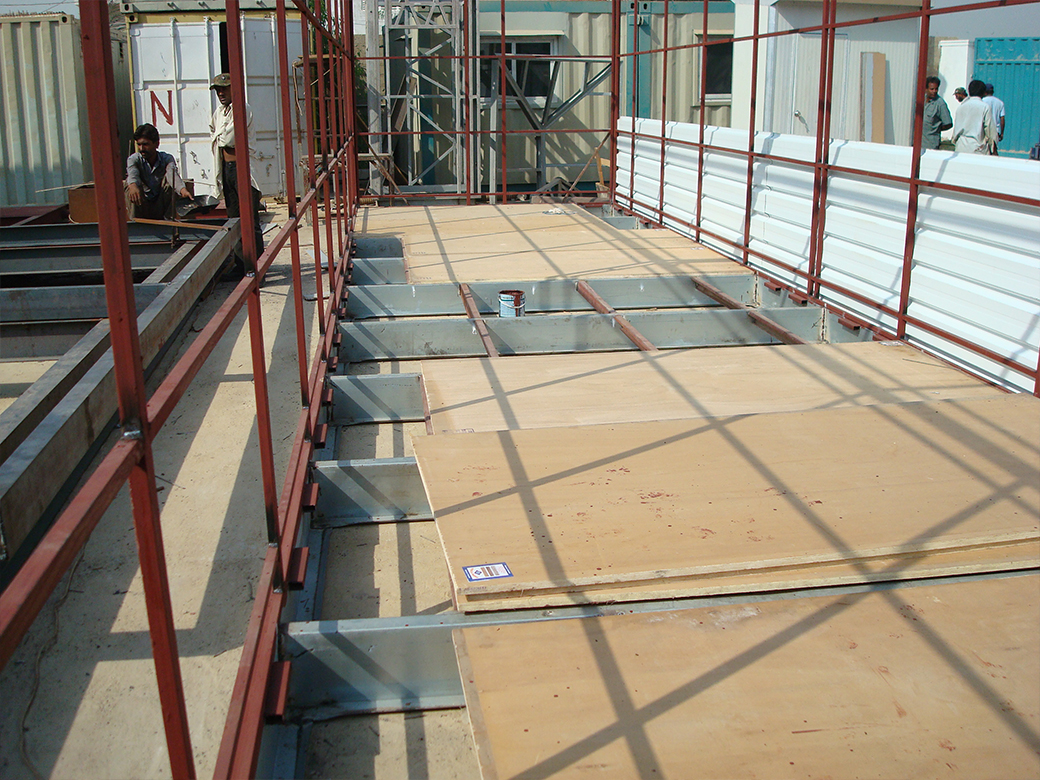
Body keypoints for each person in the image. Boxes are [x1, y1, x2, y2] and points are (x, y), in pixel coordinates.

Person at [209, 72, 264, 278]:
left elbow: (227, 139)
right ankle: (241, 266)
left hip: (242, 169)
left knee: (250, 220)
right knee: (234, 220)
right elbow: (216, 134)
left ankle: (256, 267)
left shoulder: (242, 109)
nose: (221, 93)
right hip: (227, 168)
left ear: (234, 89)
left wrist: (218, 136)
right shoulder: (220, 112)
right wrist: (218, 136)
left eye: (224, 89)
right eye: (218, 90)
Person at [125, 123, 191, 220]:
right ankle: (135, 223)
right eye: (139, 144)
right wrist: (133, 186)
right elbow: (132, 174)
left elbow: (172, 175)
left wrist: (183, 190)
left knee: (171, 185)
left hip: (160, 204)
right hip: (142, 203)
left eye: (145, 144)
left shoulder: (166, 159)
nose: (141, 149)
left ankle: (169, 222)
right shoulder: (134, 159)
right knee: (129, 186)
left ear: (156, 144)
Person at [952, 80, 997, 154]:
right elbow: (990, 131)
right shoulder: (985, 107)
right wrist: (994, 149)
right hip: (977, 149)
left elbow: (956, 130)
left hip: (960, 147)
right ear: (983, 93)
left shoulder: (961, 107)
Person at [922, 76, 952, 151]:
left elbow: (948, 123)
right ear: (926, 89)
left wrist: (936, 129)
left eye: (936, 89)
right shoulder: (921, 100)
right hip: (919, 143)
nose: (934, 91)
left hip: (931, 145)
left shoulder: (940, 104)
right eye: (932, 89)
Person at [982, 82, 1006, 155]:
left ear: (985, 92)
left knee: (984, 151)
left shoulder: (982, 101)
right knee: (994, 150)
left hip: (984, 129)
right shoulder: (1000, 103)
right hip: (995, 130)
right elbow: (1002, 118)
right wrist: (1002, 133)